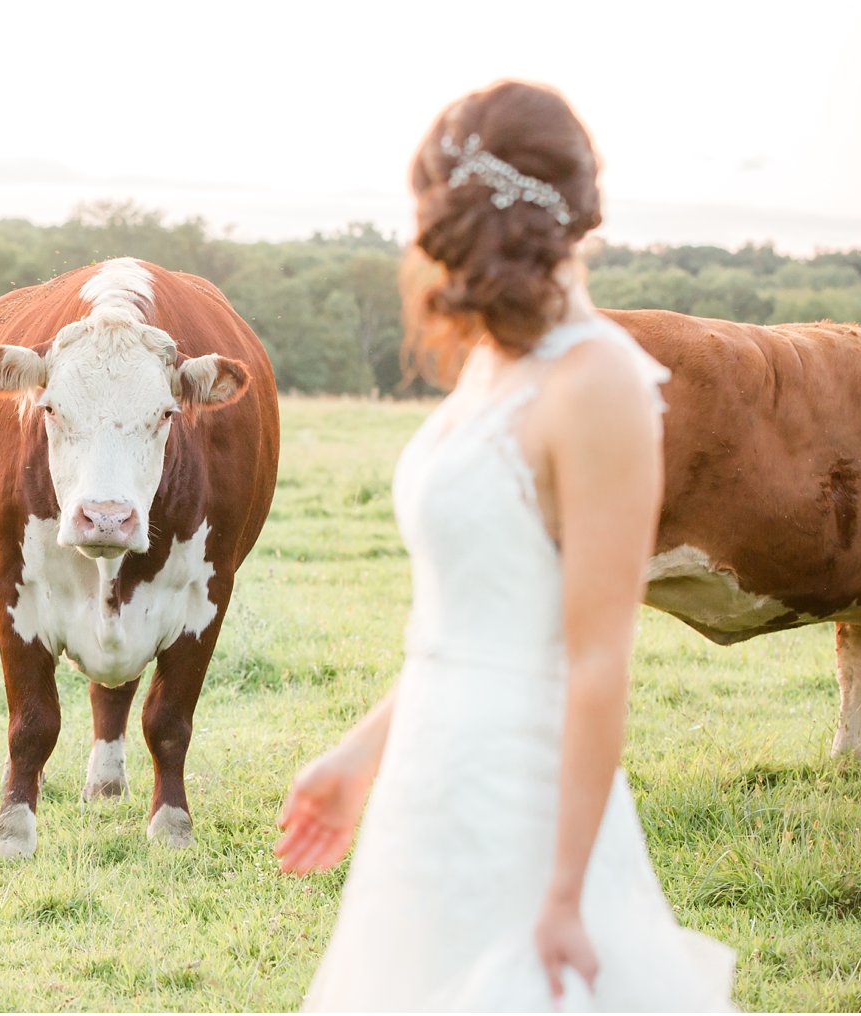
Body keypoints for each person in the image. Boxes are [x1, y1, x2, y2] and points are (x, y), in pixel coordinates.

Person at [274, 81, 736, 1012]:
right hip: (428, 782)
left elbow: (598, 657)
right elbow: (479, 619)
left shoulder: (599, 381)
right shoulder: (496, 362)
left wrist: (563, 894)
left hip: (525, 795)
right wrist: (359, 755)